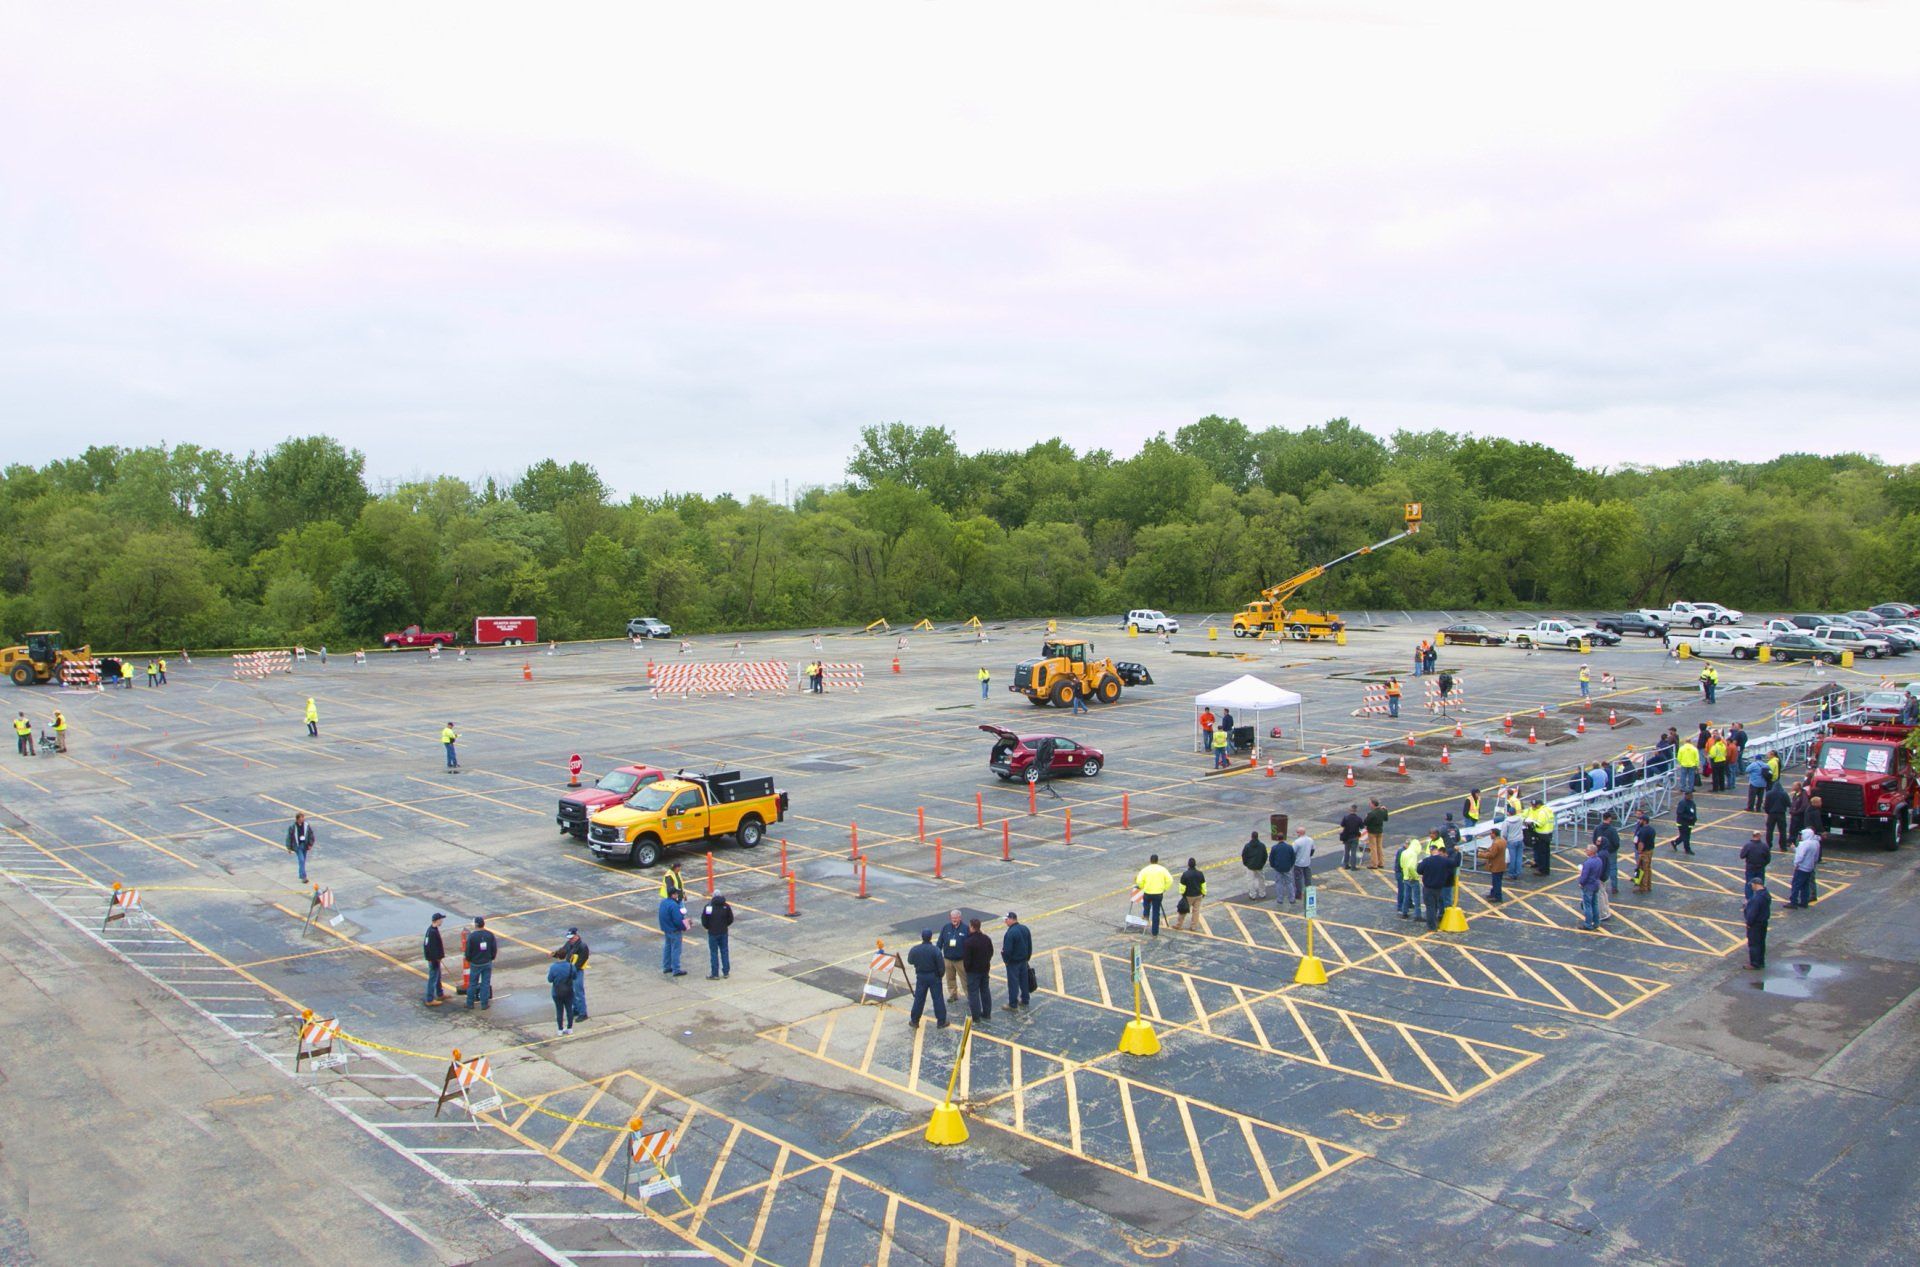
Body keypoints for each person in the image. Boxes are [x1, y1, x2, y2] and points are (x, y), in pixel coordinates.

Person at [905, 930, 949, 1029]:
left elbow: (910, 961)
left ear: (922, 937)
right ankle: (941, 1021)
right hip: (934, 977)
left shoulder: (915, 949)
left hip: (921, 976)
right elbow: (941, 966)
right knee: (938, 999)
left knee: (919, 999)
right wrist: (939, 976)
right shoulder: (935, 950)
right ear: (930, 937)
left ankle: (915, 1020)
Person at [961, 918, 995, 1021]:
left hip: (973, 972)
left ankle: (976, 1016)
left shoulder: (968, 942)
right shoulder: (986, 939)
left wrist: (968, 969)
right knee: (985, 991)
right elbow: (991, 952)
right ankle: (987, 1013)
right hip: (984, 970)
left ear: (971, 927)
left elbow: (966, 959)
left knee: (973, 994)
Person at [1134, 854, 1175, 935]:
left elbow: (1139, 881)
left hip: (1148, 892)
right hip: (1158, 893)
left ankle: (1146, 915)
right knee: (1156, 912)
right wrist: (1164, 888)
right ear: (1157, 860)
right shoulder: (1162, 869)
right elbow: (1170, 880)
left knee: (1146, 904)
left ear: (1150, 860)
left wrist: (1142, 886)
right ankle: (1155, 932)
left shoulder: (1145, 870)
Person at [463, 917, 497, 1009]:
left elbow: (468, 951)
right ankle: (484, 1004)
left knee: (472, 983)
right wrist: (491, 957)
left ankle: (470, 1003)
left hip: (475, 963)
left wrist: (469, 959)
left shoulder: (472, 936)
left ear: (476, 925)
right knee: (485, 983)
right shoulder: (489, 935)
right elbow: (494, 948)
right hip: (487, 962)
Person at [1002, 912, 1033, 1009]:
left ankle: (1013, 1004)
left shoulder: (1010, 933)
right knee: (1024, 981)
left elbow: (1007, 950)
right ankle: (1025, 999)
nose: (1005, 922)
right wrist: (1027, 958)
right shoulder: (1025, 928)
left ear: (1011, 919)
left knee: (1013, 983)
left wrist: (1006, 961)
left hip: (1013, 963)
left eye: (1006, 919)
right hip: (1023, 961)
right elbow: (1029, 945)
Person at [1416, 842, 1451, 930]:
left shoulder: (1427, 860)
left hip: (1428, 887)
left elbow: (1419, 870)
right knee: (1436, 905)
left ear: (1431, 851)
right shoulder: (1444, 861)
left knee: (1430, 907)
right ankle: (1436, 920)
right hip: (1439, 887)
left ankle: (1432, 926)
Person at [556, 927, 590, 1017]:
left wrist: (572, 971)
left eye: (571, 938)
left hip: (577, 972)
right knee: (571, 991)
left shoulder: (582, 946)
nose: (570, 940)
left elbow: (581, 961)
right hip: (570, 970)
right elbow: (563, 951)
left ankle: (583, 1013)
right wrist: (555, 954)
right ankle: (576, 1009)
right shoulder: (569, 943)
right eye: (569, 938)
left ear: (576, 936)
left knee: (579, 992)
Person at [936, 909, 968, 1001]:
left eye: (956, 918)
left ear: (960, 918)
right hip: (948, 960)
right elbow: (939, 942)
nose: (954, 919)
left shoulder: (966, 929)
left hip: (961, 960)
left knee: (965, 980)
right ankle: (953, 995)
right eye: (952, 918)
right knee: (950, 979)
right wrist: (937, 955)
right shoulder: (946, 928)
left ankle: (970, 997)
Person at [701, 894, 734, 978]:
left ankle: (715, 974)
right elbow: (730, 919)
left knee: (714, 953)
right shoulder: (726, 906)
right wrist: (725, 925)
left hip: (713, 933)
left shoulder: (709, 907)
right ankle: (726, 972)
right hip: (723, 932)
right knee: (724, 952)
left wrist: (708, 927)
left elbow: (704, 920)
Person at [657, 888, 687, 976]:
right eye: (676, 894)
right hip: (674, 930)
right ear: (673, 895)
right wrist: (684, 927)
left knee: (668, 947)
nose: (677, 895)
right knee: (676, 949)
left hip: (666, 929)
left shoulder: (663, 902)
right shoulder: (674, 905)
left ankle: (666, 967)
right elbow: (678, 920)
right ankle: (676, 969)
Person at [1787, 829, 1821, 909]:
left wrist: (1796, 864)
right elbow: (1816, 856)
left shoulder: (1803, 844)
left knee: (1796, 885)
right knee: (1805, 885)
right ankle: (1804, 902)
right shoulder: (1815, 843)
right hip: (1810, 867)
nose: (1800, 836)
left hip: (1802, 868)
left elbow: (1800, 856)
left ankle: (1793, 902)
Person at [1743, 875, 1771, 968]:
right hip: (1763, 922)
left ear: (1755, 884)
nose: (1751, 886)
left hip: (1756, 924)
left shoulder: (1756, 899)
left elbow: (1752, 913)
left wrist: (1749, 923)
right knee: (1761, 943)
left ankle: (1754, 963)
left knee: (1754, 944)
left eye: (1752, 885)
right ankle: (1760, 961)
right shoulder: (1766, 894)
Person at [1171, 858, 1206, 930]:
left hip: (1188, 896)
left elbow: (1182, 887)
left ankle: (1179, 925)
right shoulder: (1200, 873)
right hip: (1198, 895)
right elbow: (1203, 885)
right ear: (1195, 865)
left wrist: (1182, 894)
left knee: (1183, 910)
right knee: (1196, 911)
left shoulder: (1185, 874)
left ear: (1188, 865)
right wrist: (1204, 893)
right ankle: (1193, 926)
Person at [547, 954, 577, 1036]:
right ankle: (570, 1028)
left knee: (559, 1010)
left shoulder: (553, 967)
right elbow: (574, 976)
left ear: (557, 957)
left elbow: (549, 979)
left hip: (557, 992)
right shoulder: (571, 966)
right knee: (569, 1009)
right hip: (569, 991)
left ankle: (560, 1029)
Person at [1576, 844, 1604, 931]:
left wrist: (1581, 883)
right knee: (1594, 904)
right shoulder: (1599, 860)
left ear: (1591, 852)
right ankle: (1596, 922)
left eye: (1587, 850)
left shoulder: (1588, 863)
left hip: (1588, 886)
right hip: (1596, 884)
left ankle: (1588, 924)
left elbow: (1585, 875)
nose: (1585, 851)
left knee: (1587, 905)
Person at [422, 913, 448, 1006]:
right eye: (441, 919)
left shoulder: (432, 930)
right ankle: (430, 999)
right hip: (434, 960)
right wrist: (434, 958)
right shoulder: (432, 932)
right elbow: (429, 947)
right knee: (433, 978)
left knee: (437, 977)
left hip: (435, 959)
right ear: (437, 920)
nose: (442, 921)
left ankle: (440, 993)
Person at [1395, 835, 1423, 919]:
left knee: (1406, 894)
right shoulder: (1410, 853)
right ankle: (1417, 915)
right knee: (1413, 896)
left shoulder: (1403, 851)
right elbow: (1410, 866)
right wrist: (1415, 876)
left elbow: (1402, 864)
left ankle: (1405, 910)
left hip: (1405, 876)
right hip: (1407, 876)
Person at [286, 812, 316, 883]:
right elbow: (289, 837)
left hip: (304, 845)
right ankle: (303, 877)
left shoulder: (306, 825)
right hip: (298, 846)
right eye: (301, 818)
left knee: (303, 861)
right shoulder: (292, 827)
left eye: (303, 818)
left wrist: (310, 844)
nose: (303, 819)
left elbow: (311, 835)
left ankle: (301, 874)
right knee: (301, 860)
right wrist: (289, 848)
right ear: (297, 819)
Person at [1267, 832, 1296, 907]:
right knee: (1289, 883)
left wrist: (1274, 866)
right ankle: (1292, 898)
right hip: (1287, 868)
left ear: (1277, 838)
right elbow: (1293, 858)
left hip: (1278, 868)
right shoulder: (1289, 847)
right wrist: (1290, 865)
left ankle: (1280, 899)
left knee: (1279, 883)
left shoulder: (1274, 848)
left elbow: (1271, 858)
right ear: (1284, 838)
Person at [1763, 778, 1791, 850]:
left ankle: (1768, 845)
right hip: (1781, 814)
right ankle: (1783, 846)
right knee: (1782, 831)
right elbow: (1789, 804)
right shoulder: (1784, 793)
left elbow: (1766, 804)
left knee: (1769, 830)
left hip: (1771, 814)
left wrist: (1767, 811)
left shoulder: (1769, 793)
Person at [1529, 799, 1556, 875]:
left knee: (1542, 854)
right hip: (1548, 834)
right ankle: (1545, 869)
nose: (1534, 807)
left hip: (1542, 835)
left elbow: (1539, 824)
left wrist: (1531, 824)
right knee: (1546, 854)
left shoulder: (1541, 812)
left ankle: (1542, 870)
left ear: (1538, 805)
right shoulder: (1548, 809)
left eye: (1535, 805)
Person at [1632, 811, 1656, 893]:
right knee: (1648, 868)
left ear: (1644, 821)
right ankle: (1648, 885)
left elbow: (1641, 843)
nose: (1639, 821)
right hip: (1650, 851)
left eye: (1641, 819)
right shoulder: (1652, 829)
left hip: (1643, 852)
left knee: (1641, 868)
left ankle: (1642, 886)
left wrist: (1639, 852)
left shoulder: (1642, 830)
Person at [1483, 821, 1507, 902]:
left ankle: (1497, 897)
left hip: (1496, 866)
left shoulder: (1496, 843)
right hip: (1501, 865)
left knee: (1496, 882)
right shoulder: (1502, 840)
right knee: (1497, 881)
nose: (1490, 835)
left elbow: (1492, 855)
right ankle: (1493, 894)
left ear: (1494, 834)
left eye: (1491, 833)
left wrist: (1481, 854)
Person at [1241, 831, 1268, 898]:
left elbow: (1244, 855)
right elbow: (1265, 856)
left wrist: (1246, 864)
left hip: (1250, 866)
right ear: (1257, 836)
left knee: (1250, 881)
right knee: (1261, 880)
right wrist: (1262, 864)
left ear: (1251, 837)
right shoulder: (1262, 845)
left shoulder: (1247, 846)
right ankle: (1262, 893)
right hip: (1259, 866)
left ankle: (1252, 895)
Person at [1291, 826, 1315, 901]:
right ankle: (1309, 893)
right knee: (1308, 879)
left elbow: (1292, 852)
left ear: (1299, 833)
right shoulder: (1310, 840)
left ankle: (1298, 894)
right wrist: (1308, 856)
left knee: (1298, 879)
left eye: (1297, 832)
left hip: (1298, 863)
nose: (1296, 834)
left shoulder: (1297, 842)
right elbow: (1312, 850)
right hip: (1307, 863)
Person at [1363, 799, 1389, 869]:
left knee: (1373, 848)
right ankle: (1381, 862)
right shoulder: (1382, 811)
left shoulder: (1371, 814)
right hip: (1379, 831)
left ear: (1373, 804)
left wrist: (1366, 816)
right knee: (1379, 847)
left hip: (1372, 832)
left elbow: (1365, 822)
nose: (1369, 805)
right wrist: (1385, 811)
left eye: (1370, 804)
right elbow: (1386, 819)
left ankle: (1374, 864)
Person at [1338, 805, 1364, 870]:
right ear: (1356, 810)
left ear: (1349, 810)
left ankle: (1345, 865)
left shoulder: (1345, 818)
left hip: (1347, 837)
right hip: (1355, 837)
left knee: (1346, 851)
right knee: (1353, 852)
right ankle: (1353, 866)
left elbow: (1342, 825)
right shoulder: (1358, 819)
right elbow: (1362, 827)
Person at [1503, 804, 1525, 881]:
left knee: (1512, 858)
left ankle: (1511, 874)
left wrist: (1505, 839)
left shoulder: (1507, 821)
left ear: (1509, 813)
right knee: (1519, 857)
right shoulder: (1520, 819)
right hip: (1520, 839)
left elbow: (1504, 833)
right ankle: (1518, 872)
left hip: (1511, 841)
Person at [1672, 790, 1697, 855]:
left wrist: (1694, 818)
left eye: (1692, 795)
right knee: (1686, 836)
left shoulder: (1692, 803)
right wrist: (1689, 818)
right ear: (1686, 795)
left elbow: (1694, 811)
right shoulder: (1682, 803)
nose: (1691, 796)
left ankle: (1675, 842)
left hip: (1689, 823)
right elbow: (1679, 813)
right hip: (1682, 823)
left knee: (1684, 836)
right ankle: (1687, 849)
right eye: (1690, 795)